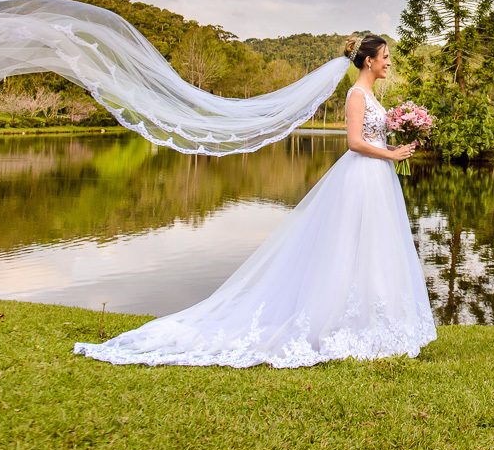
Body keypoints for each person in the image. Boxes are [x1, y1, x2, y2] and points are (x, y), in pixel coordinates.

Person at [73, 34, 437, 368]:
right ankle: (340, 321)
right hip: (361, 176)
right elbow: (355, 143)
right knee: (348, 246)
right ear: (369, 61)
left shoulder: (374, 97)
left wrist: (393, 147)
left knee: (374, 246)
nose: (389, 62)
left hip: (376, 177)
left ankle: (374, 320)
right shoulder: (356, 95)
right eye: (385, 57)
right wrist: (388, 156)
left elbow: (371, 140)